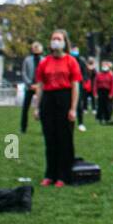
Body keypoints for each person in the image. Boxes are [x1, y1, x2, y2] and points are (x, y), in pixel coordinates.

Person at [32, 29, 81, 187]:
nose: (55, 41)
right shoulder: (44, 62)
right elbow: (40, 85)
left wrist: (73, 108)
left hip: (64, 99)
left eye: (58, 39)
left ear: (64, 42)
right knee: (50, 138)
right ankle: (50, 174)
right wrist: (37, 107)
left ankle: (63, 175)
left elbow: (75, 86)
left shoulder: (71, 61)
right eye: (53, 38)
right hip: (49, 100)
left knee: (64, 139)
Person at [20, 41, 43, 133]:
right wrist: (29, 84)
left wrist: (40, 85)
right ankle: (23, 128)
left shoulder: (44, 60)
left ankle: (44, 128)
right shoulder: (27, 60)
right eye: (35, 47)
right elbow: (24, 73)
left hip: (40, 87)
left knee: (43, 108)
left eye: (38, 48)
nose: (36, 49)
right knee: (25, 108)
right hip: (29, 87)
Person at [76, 54, 96, 132]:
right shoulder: (83, 65)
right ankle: (85, 109)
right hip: (84, 85)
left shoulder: (83, 64)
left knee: (80, 101)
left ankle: (80, 122)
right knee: (83, 99)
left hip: (85, 85)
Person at [94, 60, 113, 124]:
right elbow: (95, 85)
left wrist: (111, 94)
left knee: (107, 106)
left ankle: (107, 118)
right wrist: (95, 93)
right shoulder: (98, 75)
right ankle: (100, 118)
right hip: (100, 91)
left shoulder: (111, 75)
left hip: (107, 91)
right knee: (100, 105)